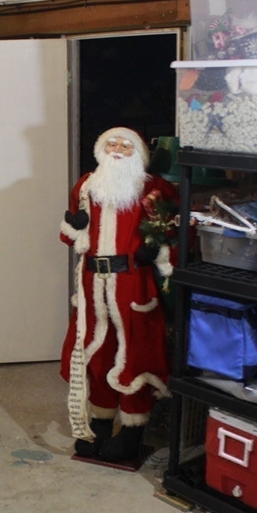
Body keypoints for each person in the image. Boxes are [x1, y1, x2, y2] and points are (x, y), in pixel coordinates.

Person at [59, 127, 178, 462]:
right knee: (96, 354)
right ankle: (98, 425)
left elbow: (173, 230)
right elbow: (70, 236)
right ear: (100, 149)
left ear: (138, 152)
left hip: (133, 283)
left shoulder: (153, 190)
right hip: (91, 284)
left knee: (136, 356)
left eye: (126, 145)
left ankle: (131, 432)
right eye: (111, 143)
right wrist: (73, 223)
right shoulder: (86, 186)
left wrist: (155, 251)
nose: (117, 149)